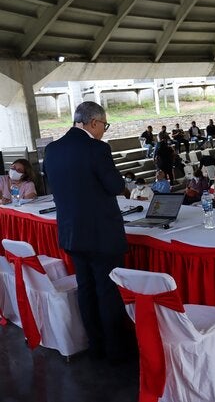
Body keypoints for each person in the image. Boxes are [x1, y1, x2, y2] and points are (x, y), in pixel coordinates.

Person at [43, 101, 131, 362]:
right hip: (101, 235)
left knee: (86, 288)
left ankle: (96, 346)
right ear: (94, 122)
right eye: (105, 125)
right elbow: (114, 185)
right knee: (107, 291)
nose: (104, 130)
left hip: (71, 233)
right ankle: (115, 351)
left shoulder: (52, 149)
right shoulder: (97, 148)